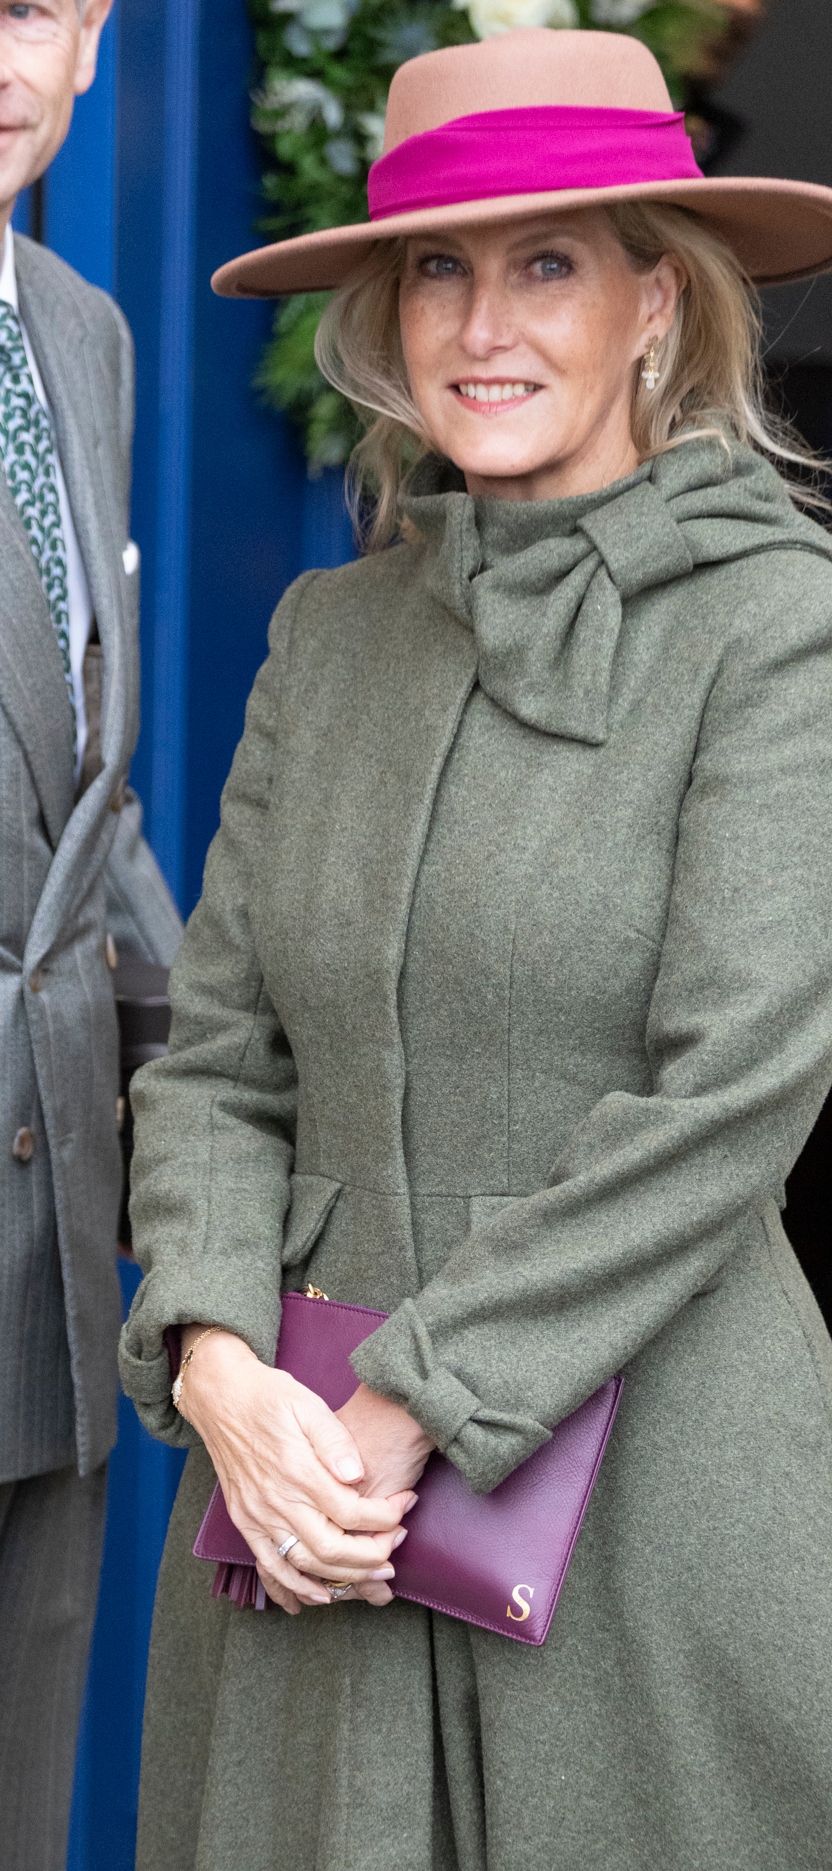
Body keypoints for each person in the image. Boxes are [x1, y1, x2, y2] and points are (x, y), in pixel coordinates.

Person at [120, 29, 832, 1871]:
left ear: (656, 301)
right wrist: (226, 1372)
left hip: (651, 1508)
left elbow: (729, 1099)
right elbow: (222, 1059)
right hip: (301, 1517)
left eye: (548, 263)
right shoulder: (331, 637)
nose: (484, 325)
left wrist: (408, 1403)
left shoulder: (783, 635)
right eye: (438, 269)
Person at [0, 2, 182, 1865]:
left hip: (50, 1215)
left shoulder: (81, 329)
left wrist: (220, 1093)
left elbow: (91, 802)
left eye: (38, 2)